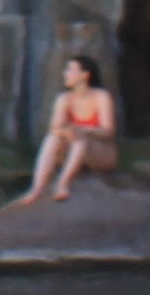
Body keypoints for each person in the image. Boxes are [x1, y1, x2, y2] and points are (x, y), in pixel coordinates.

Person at [24, 52, 117, 203]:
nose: (65, 73)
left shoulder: (101, 96)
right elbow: (54, 127)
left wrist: (84, 130)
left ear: (84, 75)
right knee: (52, 138)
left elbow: (108, 131)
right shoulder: (64, 98)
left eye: (70, 69)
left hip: (100, 152)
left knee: (80, 138)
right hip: (73, 149)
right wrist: (65, 131)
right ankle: (37, 188)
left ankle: (62, 184)